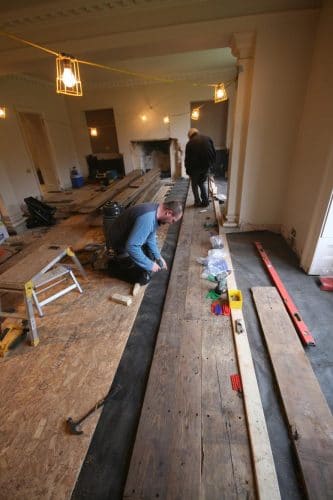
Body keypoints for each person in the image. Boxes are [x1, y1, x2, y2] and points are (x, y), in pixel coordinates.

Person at [106, 200, 183, 285]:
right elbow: (132, 247)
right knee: (143, 278)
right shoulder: (148, 218)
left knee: (151, 257)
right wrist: (150, 265)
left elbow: (151, 237)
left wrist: (158, 256)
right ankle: (112, 267)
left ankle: (135, 261)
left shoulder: (156, 210)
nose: (171, 223)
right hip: (119, 243)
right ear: (168, 213)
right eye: (173, 221)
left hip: (128, 237)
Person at [185, 128, 216, 207]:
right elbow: (213, 152)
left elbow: (187, 159)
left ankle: (197, 202)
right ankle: (205, 201)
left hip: (195, 168)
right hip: (206, 166)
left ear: (190, 135)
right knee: (202, 183)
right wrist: (210, 165)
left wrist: (188, 171)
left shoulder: (190, 143)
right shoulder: (207, 138)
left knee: (194, 185)